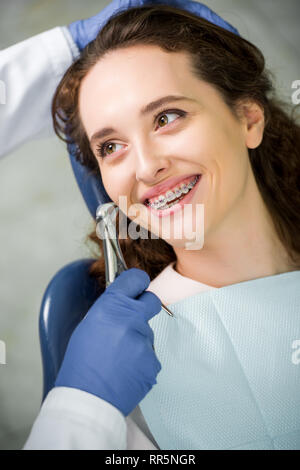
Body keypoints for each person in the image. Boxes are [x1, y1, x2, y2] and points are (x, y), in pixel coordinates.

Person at [3, 2, 300, 451]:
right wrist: (86, 406)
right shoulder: (127, 377)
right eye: (111, 146)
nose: (146, 168)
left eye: (167, 117)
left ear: (249, 118)